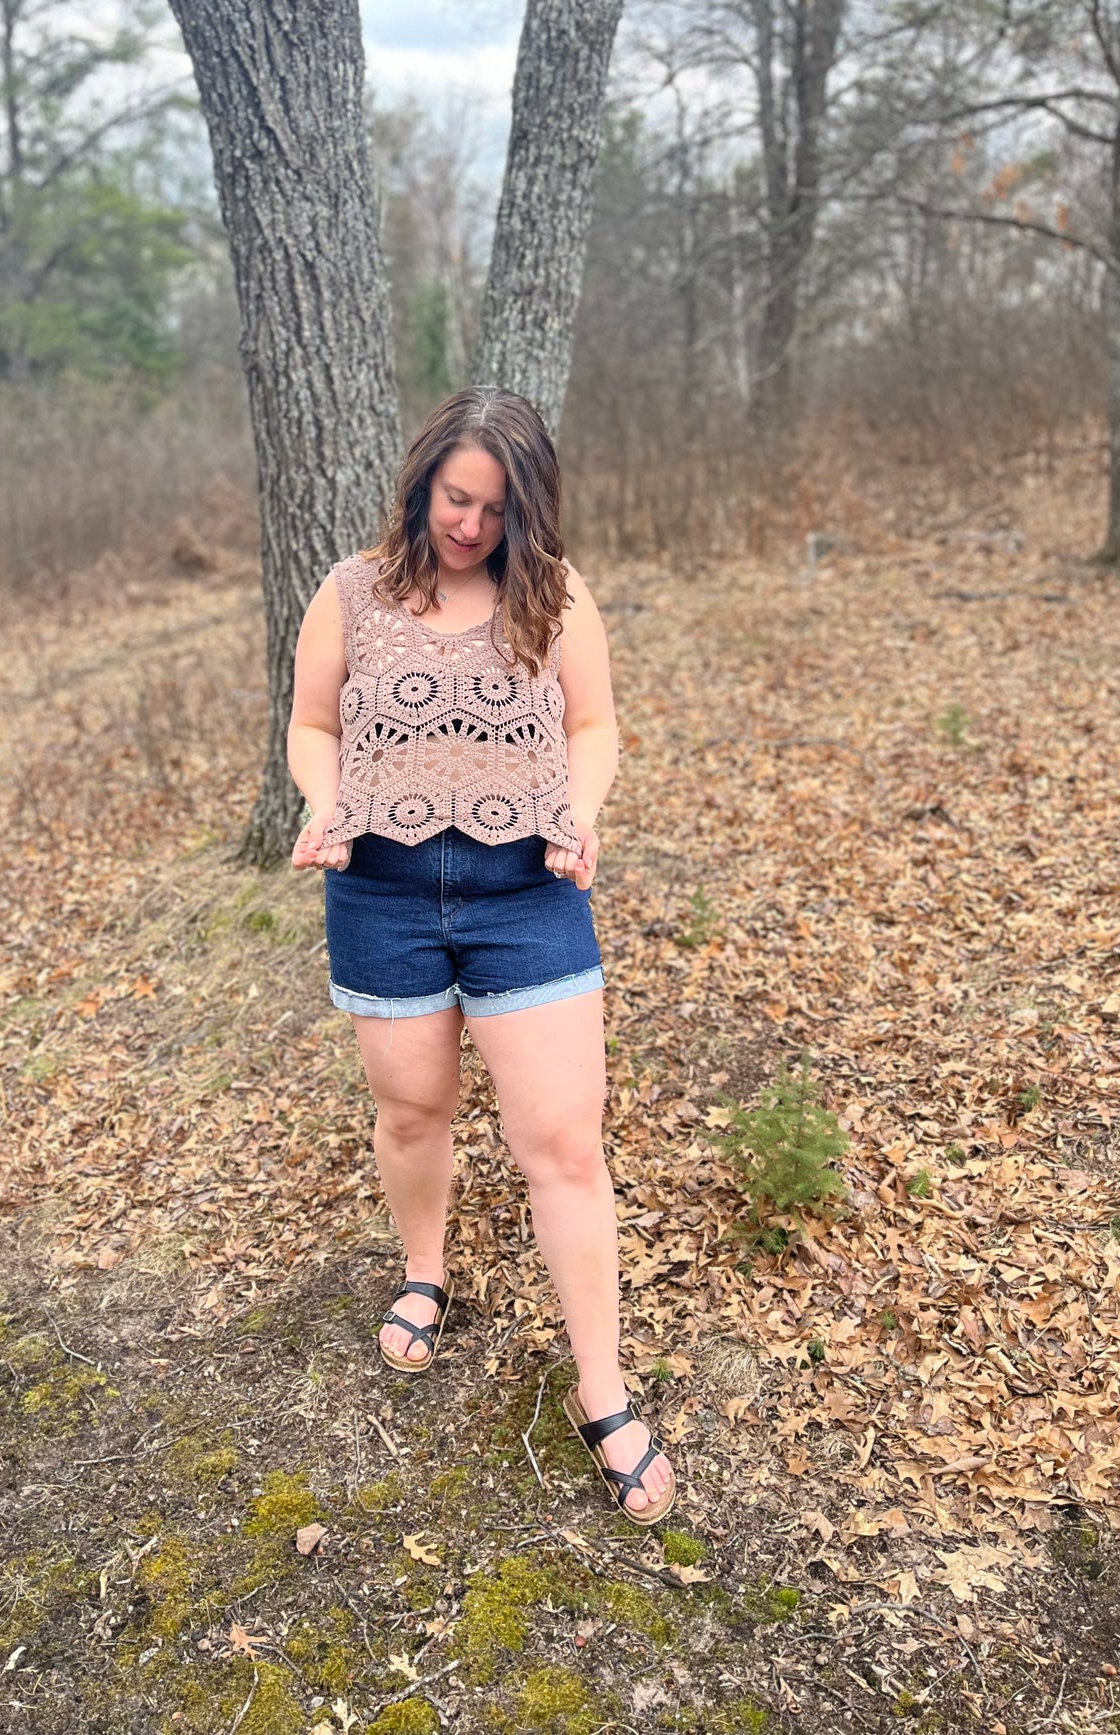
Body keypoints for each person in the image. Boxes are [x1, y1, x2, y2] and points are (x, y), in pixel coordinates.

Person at [286, 387, 675, 1525]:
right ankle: (425, 1270)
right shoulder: (351, 592)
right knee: (411, 1112)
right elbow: (312, 721)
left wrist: (584, 805)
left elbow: (592, 724)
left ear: (528, 510)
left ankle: (598, 1388)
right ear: (422, 485)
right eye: (457, 498)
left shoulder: (553, 597)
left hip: (526, 892)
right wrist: (325, 799)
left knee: (561, 1139)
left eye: (496, 509)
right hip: (383, 891)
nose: (470, 525)